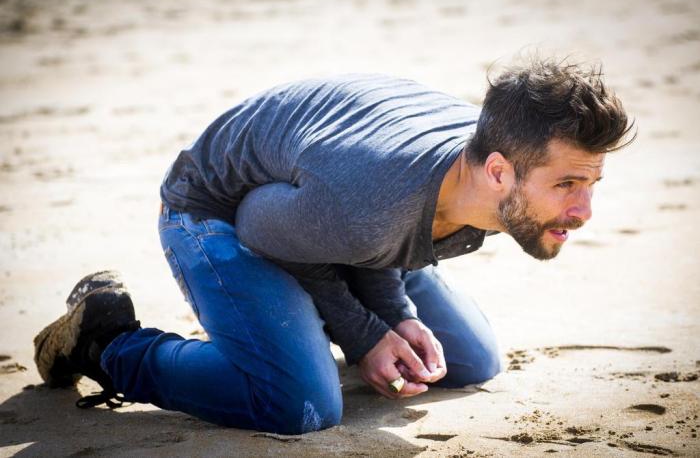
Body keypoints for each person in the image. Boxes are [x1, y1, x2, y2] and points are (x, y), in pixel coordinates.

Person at [34, 57, 634, 434]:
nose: (582, 211)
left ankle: (305, 330)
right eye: (567, 186)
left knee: (471, 362)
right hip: (217, 210)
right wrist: (364, 332)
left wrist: (393, 313)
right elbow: (263, 227)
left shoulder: (482, 171)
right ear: (498, 171)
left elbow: (371, 233)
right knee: (301, 405)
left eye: (591, 183)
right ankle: (106, 345)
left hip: (329, 211)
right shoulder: (371, 201)